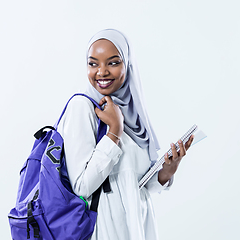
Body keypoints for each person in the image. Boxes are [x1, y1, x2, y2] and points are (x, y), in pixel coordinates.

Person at [57, 29, 194, 240]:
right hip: (103, 229)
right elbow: (82, 186)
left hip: (138, 227)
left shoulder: (133, 115)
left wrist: (167, 171)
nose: (101, 72)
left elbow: (135, 184)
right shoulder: (83, 108)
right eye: (93, 63)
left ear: (127, 65)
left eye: (112, 62)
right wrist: (114, 132)